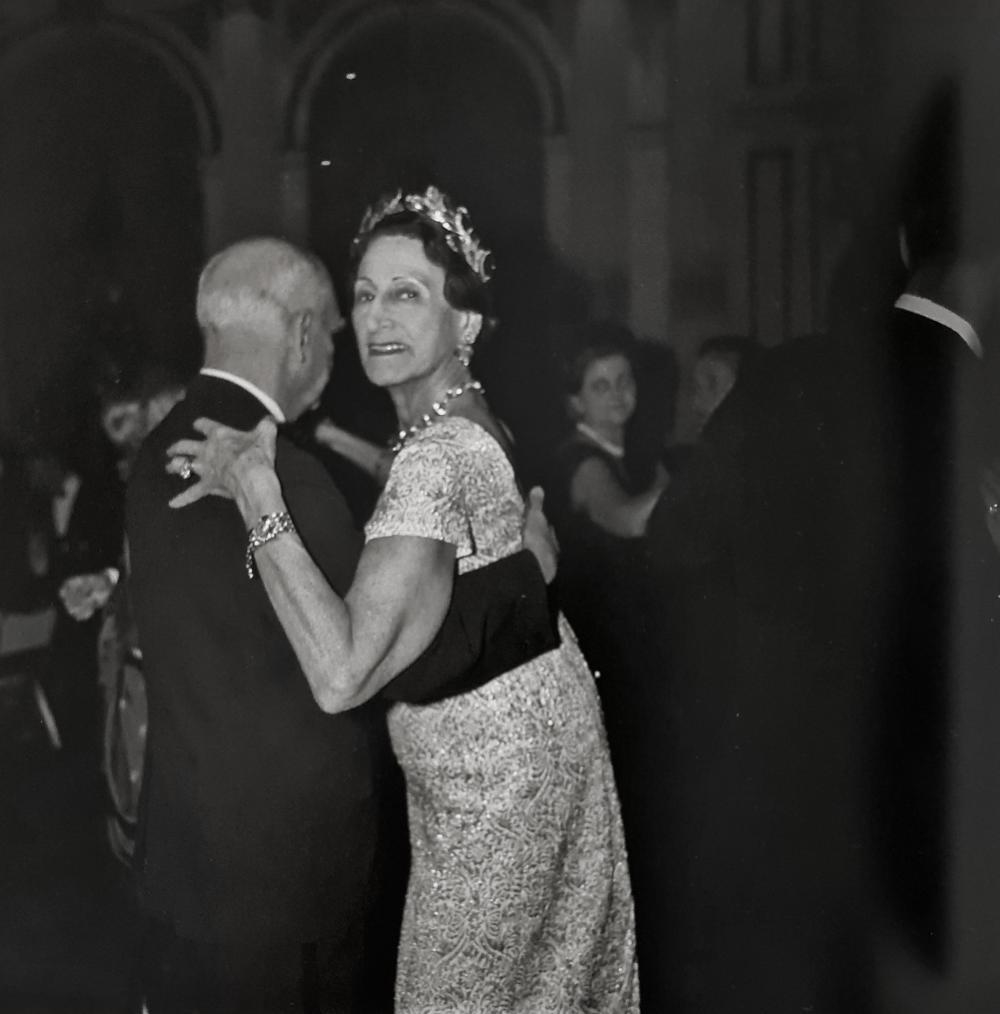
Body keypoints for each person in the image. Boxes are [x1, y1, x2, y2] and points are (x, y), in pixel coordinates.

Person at [167, 190, 639, 1012]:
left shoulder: (435, 459)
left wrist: (255, 489)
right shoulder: (465, 423)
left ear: (466, 324)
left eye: (408, 293)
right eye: (365, 292)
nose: (377, 316)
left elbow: (340, 674)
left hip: (492, 793)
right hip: (538, 745)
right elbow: (436, 527)